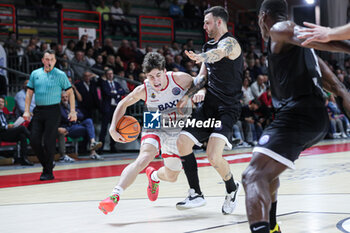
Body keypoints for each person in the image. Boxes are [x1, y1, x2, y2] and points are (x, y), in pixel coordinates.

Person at [242, 1, 350, 232]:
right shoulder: (306, 53)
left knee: (252, 176)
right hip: (316, 119)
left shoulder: (278, 29)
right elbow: (339, 88)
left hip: (298, 113)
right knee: (267, 171)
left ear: (263, 16)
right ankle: (272, 227)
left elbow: (304, 35)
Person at [98, 52, 200, 215]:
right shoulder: (144, 89)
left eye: (158, 75)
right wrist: (112, 127)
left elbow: (201, 84)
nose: (156, 81)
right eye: (151, 77)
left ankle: (154, 176)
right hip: (155, 122)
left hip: (177, 129)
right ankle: (114, 196)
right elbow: (123, 103)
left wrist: (197, 94)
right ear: (146, 76)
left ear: (164, 71)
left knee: (172, 176)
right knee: (143, 158)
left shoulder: (180, 79)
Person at [175, 6, 243, 213]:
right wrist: (187, 95)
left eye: (207, 22)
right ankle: (195, 193)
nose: (204, 26)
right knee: (182, 141)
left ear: (219, 22)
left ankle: (232, 188)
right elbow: (203, 77)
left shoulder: (231, 43)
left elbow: (220, 53)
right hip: (208, 107)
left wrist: (203, 56)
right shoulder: (207, 45)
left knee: (213, 156)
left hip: (227, 109)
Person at [24, 50, 77, 181]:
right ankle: (48, 164)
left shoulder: (60, 75)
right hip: (38, 110)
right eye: (47, 59)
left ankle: (47, 171)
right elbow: (29, 93)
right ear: (43, 60)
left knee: (49, 141)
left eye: (52, 59)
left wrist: (72, 111)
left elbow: (70, 93)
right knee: (34, 140)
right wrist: (26, 110)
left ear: (55, 61)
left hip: (53, 111)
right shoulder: (35, 74)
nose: (49, 62)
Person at [58, 91, 103, 162]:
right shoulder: (59, 107)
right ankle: (93, 152)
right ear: (60, 99)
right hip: (68, 129)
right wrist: (74, 114)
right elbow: (65, 118)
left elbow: (81, 115)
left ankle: (93, 143)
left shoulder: (71, 105)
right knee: (89, 129)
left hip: (76, 125)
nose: (65, 99)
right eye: (63, 97)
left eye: (66, 97)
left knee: (89, 121)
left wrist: (74, 115)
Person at [98, 68, 126, 153]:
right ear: (106, 75)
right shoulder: (104, 83)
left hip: (115, 108)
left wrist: (114, 93)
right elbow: (107, 93)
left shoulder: (116, 83)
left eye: (111, 73)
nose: (110, 75)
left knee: (114, 127)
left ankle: (113, 147)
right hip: (107, 108)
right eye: (108, 74)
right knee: (104, 129)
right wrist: (116, 93)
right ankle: (100, 148)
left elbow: (123, 91)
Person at [0, 96, 33, 166]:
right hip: (2, 133)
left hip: (7, 133)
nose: (1, 103)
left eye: (2, 102)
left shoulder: (4, 113)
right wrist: (6, 126)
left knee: (22, 136)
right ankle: (34, 140)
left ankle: (24, 159)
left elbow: (10, 120)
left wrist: (13, 124)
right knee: (22, 128)